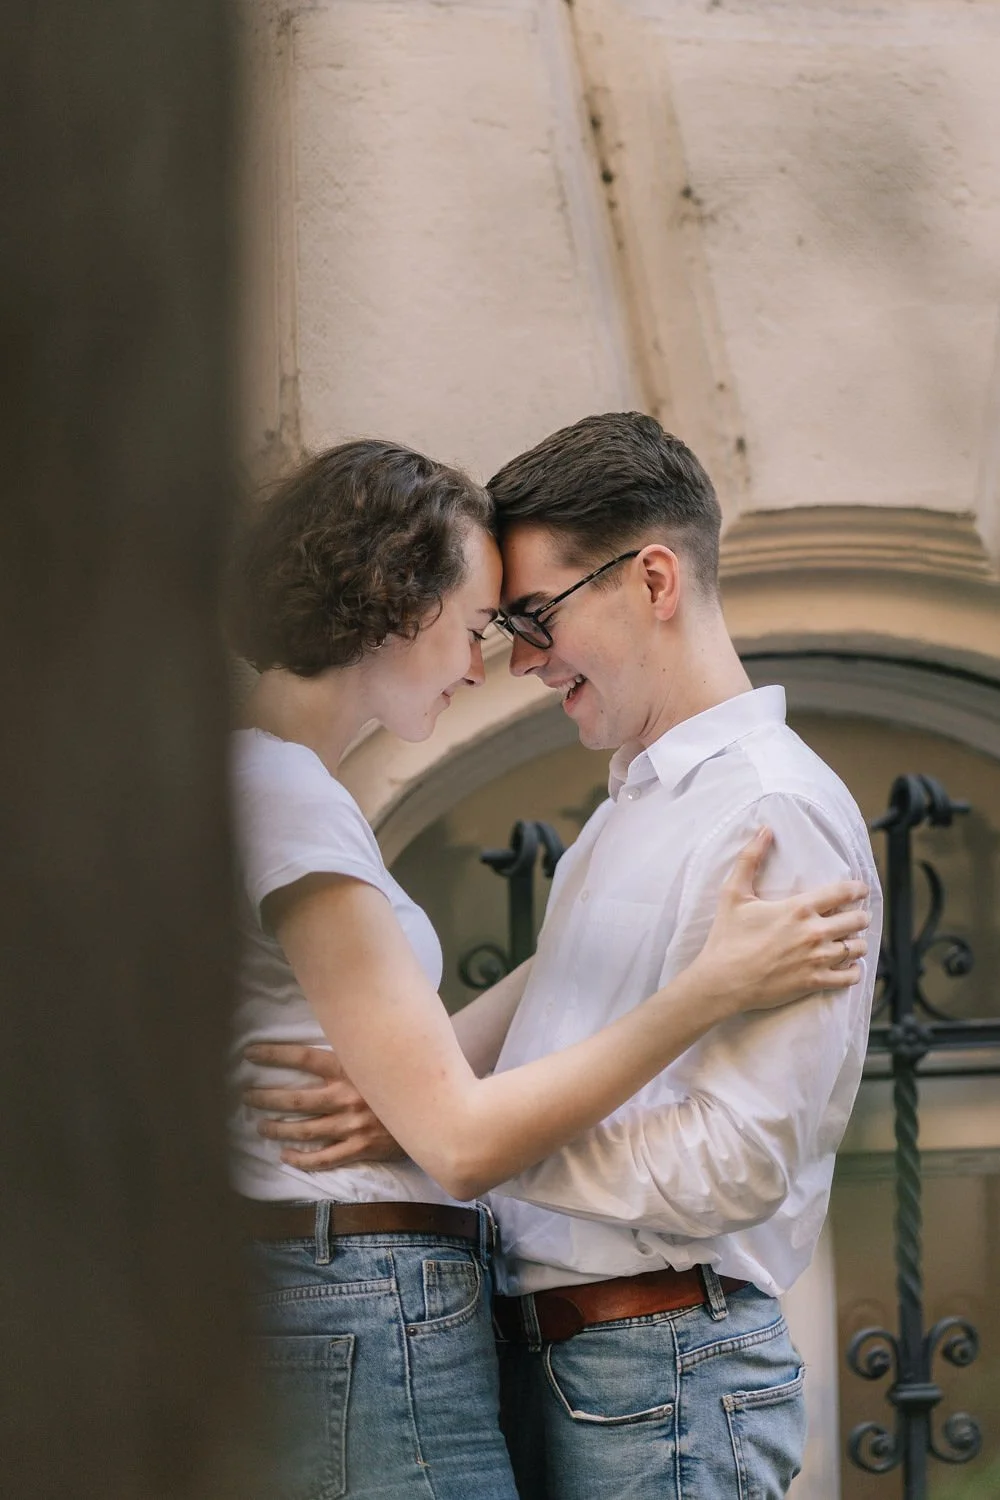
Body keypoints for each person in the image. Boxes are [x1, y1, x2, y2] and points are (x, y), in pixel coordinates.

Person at [244, 415, 882, 1500]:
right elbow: (513, 1039)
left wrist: (461, 1143)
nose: (520, 661)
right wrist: (426, 1102)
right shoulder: (626, 815)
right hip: (570, 1355)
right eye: (499, 622)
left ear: (653, 582)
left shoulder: (768, 810)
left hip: (667, 1361)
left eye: (534, 618)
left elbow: (737, 1161)